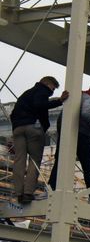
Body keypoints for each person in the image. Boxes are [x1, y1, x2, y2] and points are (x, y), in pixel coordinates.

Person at [48, 81, 90, 206]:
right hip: (81, 134)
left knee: (60, 162)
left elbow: (61, 119)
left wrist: (62, 133)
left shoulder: (76, 97)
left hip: (67, 133)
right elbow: (86, 114)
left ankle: (50, 190)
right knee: (88, 167)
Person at [10, 76, 69, 204]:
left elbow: (12, 114)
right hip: (34, 127)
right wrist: (59, 101)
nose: (52, 92)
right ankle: (28, 193)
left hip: (18, 129)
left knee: (19, 160)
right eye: (53, 88)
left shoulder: (25, 94)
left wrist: (16, 126)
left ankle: (18, 193)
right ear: (48, 84)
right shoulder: (42, 91)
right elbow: (40, 105)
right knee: (34, 160)